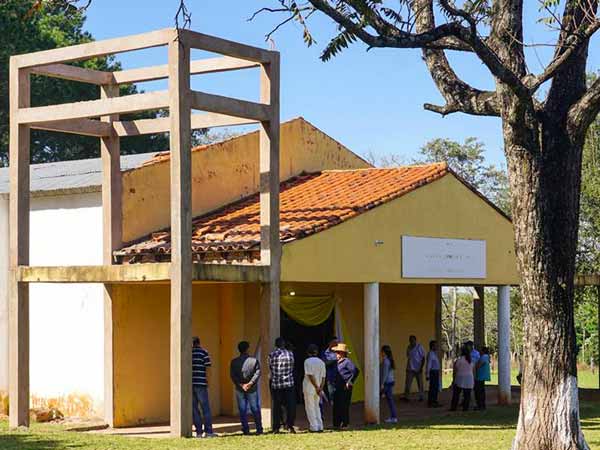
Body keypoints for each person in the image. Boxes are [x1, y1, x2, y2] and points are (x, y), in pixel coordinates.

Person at [230, 340, 263, 435]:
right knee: (255, 408)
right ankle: (259, 429)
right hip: (251, 388)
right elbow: (258, 373)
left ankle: (245, 429)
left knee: (242, 409)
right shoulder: (254, 361)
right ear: (247, 349)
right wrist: (250, 383)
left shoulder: (234, 362)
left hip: (240, 388)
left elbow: (232, 375)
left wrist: (240, 385)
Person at [268, 337, 296, 433]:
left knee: (277, 406)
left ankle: (276, 427)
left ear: (276, 345)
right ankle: (290, 425)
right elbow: (292, 367)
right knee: (290, 405)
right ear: (284, 344)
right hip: (289, 383)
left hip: (276, 383)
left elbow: (270, 368)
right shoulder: (290, 354)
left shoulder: (271, 355)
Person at [192, 336, 216, 438]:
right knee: (205, 408)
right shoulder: (204, 352)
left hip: (191, 384)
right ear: (199, 343)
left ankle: (198, 432)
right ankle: (209, 432)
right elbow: (208, 368)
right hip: (201, 383)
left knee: (194, 409)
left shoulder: (189, 353)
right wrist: (209, 382)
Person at [332, 342, 359, 430]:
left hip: (345, 387)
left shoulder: (347, 362)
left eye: (338, 352)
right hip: (337, 387)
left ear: (342, 353)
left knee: (344, 405)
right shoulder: (337, 362)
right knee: (337, 405)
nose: (336, 354)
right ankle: (336, 423)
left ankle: (345, 423)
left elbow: (356, 371)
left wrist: (350, 381)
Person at [303, 344, 326, 432]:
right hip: (319, 387)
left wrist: (316, 386)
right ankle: (320, 426)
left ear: (308, 353)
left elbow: (310, 375)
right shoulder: (321, 362)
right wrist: (320, 388)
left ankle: (314, 427)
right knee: (317, 407)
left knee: (310, 407)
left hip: (309, 387)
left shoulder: (307, 361)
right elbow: (323, 377)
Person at [450, 346, 474, 411]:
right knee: (467, 395)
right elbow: (473, 370)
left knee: (456, 394)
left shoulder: (459, 361)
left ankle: (453, 407)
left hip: (460, 378)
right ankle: (465, 408)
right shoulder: (471, 361)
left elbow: (455, 371)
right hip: (469, 378)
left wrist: (453, 380)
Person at [403, 335, 425, 401]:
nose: (412, 341)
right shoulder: (408, 347)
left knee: (420, 384)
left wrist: (421, 367)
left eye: (413, 340)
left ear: (415, 340)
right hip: (410, 368)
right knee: (407, 384)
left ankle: (421, 397)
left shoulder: (419, 347)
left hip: (418, 368)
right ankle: (406, 397)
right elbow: (408, 357)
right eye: (410, 340)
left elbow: (423, 358)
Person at [380, 344, 398, 423]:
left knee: (389, 400)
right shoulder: (389, 360)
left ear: (384, 352)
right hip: (390, 381)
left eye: (382, 351)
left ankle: (393, 417)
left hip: (387, 382)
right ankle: (393, 416)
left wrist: (382, 384)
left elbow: (385, 373)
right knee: (389, 399)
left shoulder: (386, 361)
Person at [322, 337, 339, 403]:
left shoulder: (339, 352)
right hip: (330, 378)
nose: (336, 344)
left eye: (336, 343)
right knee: (332, 397)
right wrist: (335, 360)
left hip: (339, 377)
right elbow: (324, 363)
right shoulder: (325, 353)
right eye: (334, 342)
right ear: (329, 343)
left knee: (339, 397)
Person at [426, 340, 441, 408]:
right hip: (433, 372)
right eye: (435, 345)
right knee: (433, 387)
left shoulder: (435, 353)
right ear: (432, 346)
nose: (437, 346)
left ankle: (434, 400)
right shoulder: (431, 354)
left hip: (436, 372)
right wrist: (427, 374)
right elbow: (429, 365)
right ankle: (431, 402)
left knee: (435, 387)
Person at [474, 346, 491, 410]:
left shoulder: (483, 357)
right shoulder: (487, 357)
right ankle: (482, 405)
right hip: (482, 376)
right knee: (481, 391)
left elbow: (478, 366)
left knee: (479, 391)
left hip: (480, 376)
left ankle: (480, 405)